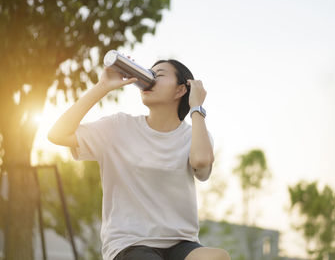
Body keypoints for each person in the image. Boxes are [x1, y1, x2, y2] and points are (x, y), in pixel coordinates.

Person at [48, 57, 231, 260]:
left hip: (182, 244)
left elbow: (201, 162)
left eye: (158, 75)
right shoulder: (118, 127)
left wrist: (196, 107)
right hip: (130, 245)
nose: (149, 79)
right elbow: (58, 134)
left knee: (217, 257)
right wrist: (102, 86)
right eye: (148, 73)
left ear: (180, 90)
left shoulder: (195, 135)